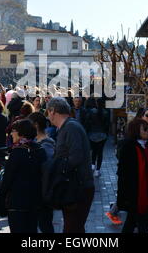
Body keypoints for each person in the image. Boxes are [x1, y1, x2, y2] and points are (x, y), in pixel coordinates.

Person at [46, 97, 94, 233]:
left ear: (53, 111)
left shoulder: (71, 127)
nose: (48, 116)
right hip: (76, 187)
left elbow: (76, 157)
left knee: (72, 229)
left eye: (48, 113)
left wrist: (57, 169)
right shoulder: (67, 127)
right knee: (75, 228)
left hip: (78, 188)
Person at [0, 119, 46, 233]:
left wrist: (1, 198)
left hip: (18, 202)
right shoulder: (40, 150)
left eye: (13, 131)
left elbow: (7, 179)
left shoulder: (17, 152)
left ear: (21, 133)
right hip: (35, 200)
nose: (11, 133)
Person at [117, 118, 148, 233]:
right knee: (136, 221)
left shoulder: (146, 145)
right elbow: (124, 174)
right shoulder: (129, 147)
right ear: (136, 131)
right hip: (134, 192)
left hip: (144, 189)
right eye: (145, 129)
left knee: (135, 221)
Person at [28, 112, 56, 233]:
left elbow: (47, 169)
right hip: (38, 191)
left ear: (36, 125)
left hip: (43, 193)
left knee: (45, 224)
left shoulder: (46, 145)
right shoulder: (37, 141)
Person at [84, 98, 110, 177]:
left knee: (94, 151)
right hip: (102, 135)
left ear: (96, 103)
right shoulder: (106, 112)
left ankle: (92, 165)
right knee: (100, 153)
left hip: (92, 134)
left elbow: (87, 123)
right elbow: (107, 125)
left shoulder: (91, 112)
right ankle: (97, 171)